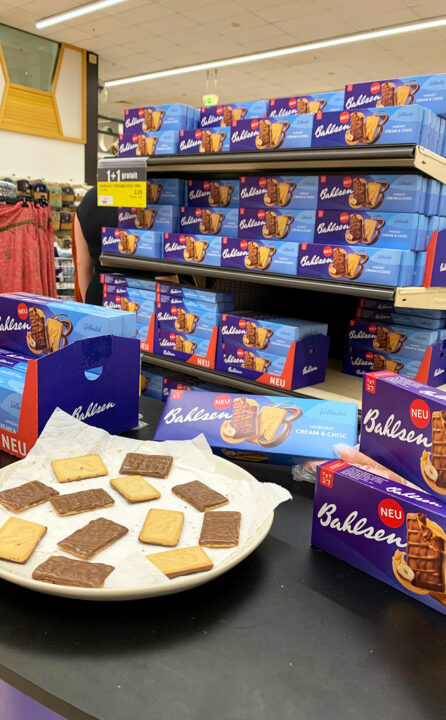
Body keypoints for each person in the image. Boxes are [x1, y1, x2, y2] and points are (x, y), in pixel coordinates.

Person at [74, 186, 117, 304]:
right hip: (143, 296)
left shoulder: (89, 199)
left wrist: (88, 304)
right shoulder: (142, 197)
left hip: (98, 293)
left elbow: (82, 262)